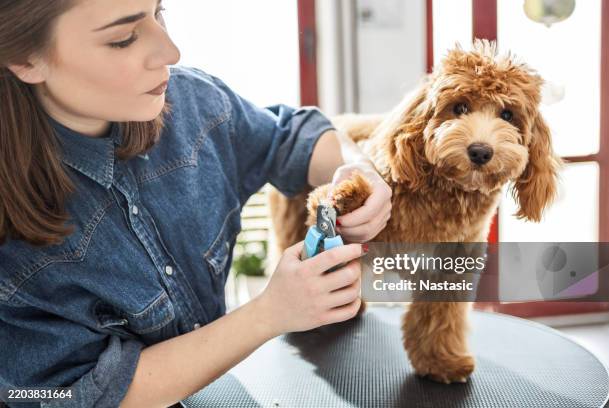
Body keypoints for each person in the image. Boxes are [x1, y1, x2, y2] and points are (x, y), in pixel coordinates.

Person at [0, 1, 392, 407]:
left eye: (159, 13)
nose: (171, 51)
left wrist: (357, 168)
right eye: (123, 38)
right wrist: (270, 313)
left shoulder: (194, 102)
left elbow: (290, 137)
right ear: (26, 58)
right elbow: (78, 396)